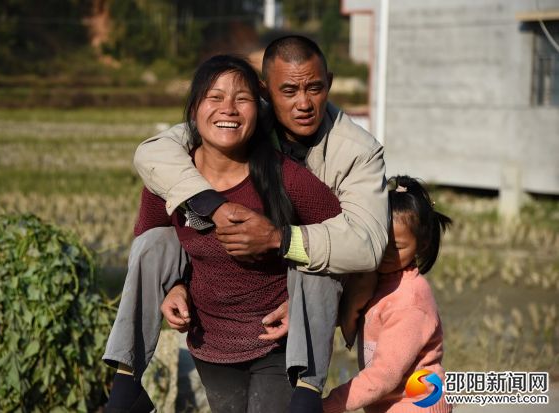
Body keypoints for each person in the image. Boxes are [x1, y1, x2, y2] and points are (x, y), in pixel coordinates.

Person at [103, 35, 389, 412]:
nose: (303, 104)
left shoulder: (350, 153)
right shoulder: (227, 126)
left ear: (329, 84)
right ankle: (126, 381)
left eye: (314, 88)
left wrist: (283, 249)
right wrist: (177, 275)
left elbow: (363, 244)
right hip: (215, 331)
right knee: (153, 242)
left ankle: (307, 388)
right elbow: (154, 157)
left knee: (318, 258)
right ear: (267, 91)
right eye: (289, 90)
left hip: (282, 320)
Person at [136, 54, 343, 412]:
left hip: (277, 343)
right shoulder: (170, 178)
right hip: (209, 340)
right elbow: (153, 241)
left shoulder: (285, 176)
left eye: (242, 99)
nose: (228, 109)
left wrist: (305, 306)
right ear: (194, 109)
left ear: (259, 110)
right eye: (214, 98)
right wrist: (172, 287)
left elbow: (341, 238)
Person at [323, 175, 453, 413]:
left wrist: (330, 404)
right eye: (381, 242)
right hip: (389, 402)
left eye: (398, 247)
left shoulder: (410, 301)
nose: (386, 253)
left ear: (421, 245)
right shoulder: (370, 279)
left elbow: (385, 374)